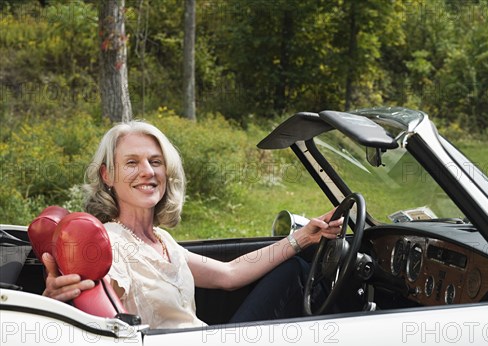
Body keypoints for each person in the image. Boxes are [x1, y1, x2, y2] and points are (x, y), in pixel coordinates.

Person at [41, 121, 343, 328]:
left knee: (292, 270)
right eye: (132, 163)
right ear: (107, 175)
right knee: (297, 276)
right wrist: (58, 303)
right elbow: (94, 309)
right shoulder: (109, 243)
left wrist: (302, 238)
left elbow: (229, 274)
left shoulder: (161, 239)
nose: (147, 172)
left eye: (155, 162)